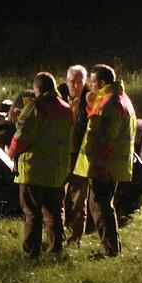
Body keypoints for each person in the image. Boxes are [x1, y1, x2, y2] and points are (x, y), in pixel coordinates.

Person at [7, 72, 74, 259]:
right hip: (57, 171)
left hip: (34, 171)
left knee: (32, 214)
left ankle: (31, 253)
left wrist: (10, 152)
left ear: (37, 89)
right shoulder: (66, 109)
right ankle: (56, 248)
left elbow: (22, 138)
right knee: (54, 212)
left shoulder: (36, 107)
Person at [73, 64, 136, 257]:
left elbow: (105, 138)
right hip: (114, 165)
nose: (89, 86)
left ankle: (109, 249)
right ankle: (112, 246)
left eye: (92, 82)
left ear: (101, 83)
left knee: (100, 205)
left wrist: (99, 168)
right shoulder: (119, 98)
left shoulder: (110, 104)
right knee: (102, 203)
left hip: (105, 166)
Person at [57, 65, 90, 245]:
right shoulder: (58, 95)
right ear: (66, 80)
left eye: (79, 82)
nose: (75, 86)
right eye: (72, 82)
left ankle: (75, 237)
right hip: (61, 153)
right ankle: (58, 233)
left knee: (79, 198)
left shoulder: (89, 100)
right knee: (57, 195)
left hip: (80, 155)